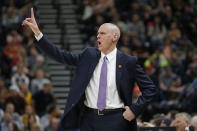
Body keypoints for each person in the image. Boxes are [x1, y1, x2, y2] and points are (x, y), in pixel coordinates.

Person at [22, 8, 158, 131]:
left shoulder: (128, 62)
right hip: (89, 119)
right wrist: (37, 33)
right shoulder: (89, 55)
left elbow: (150, 89)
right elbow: (60, 55)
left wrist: (134, 110)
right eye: (98, 33)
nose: (98, 36)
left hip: (117, 120)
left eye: (103, 33)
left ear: (114, 37)